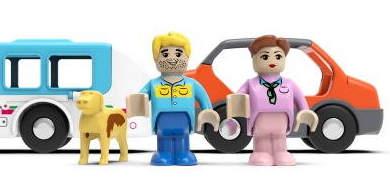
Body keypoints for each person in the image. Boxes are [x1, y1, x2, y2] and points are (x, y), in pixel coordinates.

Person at [126, 32, 219, 166]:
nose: (172, 59)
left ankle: (183, 152)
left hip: (184, 119)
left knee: (183, 135)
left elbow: (203, 97)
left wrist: (207, 111)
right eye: (165, 55)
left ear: (187, 57)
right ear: (156, 59)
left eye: (178, 54)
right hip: (162, 120)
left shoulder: (191, 83)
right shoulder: (154, 84)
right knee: (163, 135)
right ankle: (164, 153)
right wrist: (135, 106)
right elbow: (141, 96)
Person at [227, 35, 318, 166]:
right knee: (262, 137)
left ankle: (281, 152)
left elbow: (300, 98)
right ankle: (261, 152)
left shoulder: (289, 83)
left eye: (278, 56)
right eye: (265, 57)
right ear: (254, 59)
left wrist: (305, 111)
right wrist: (235, 108)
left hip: (282, 120)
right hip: (260, 120)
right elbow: (238, 96)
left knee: (280, 136)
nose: (272, 61)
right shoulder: (251, 83)